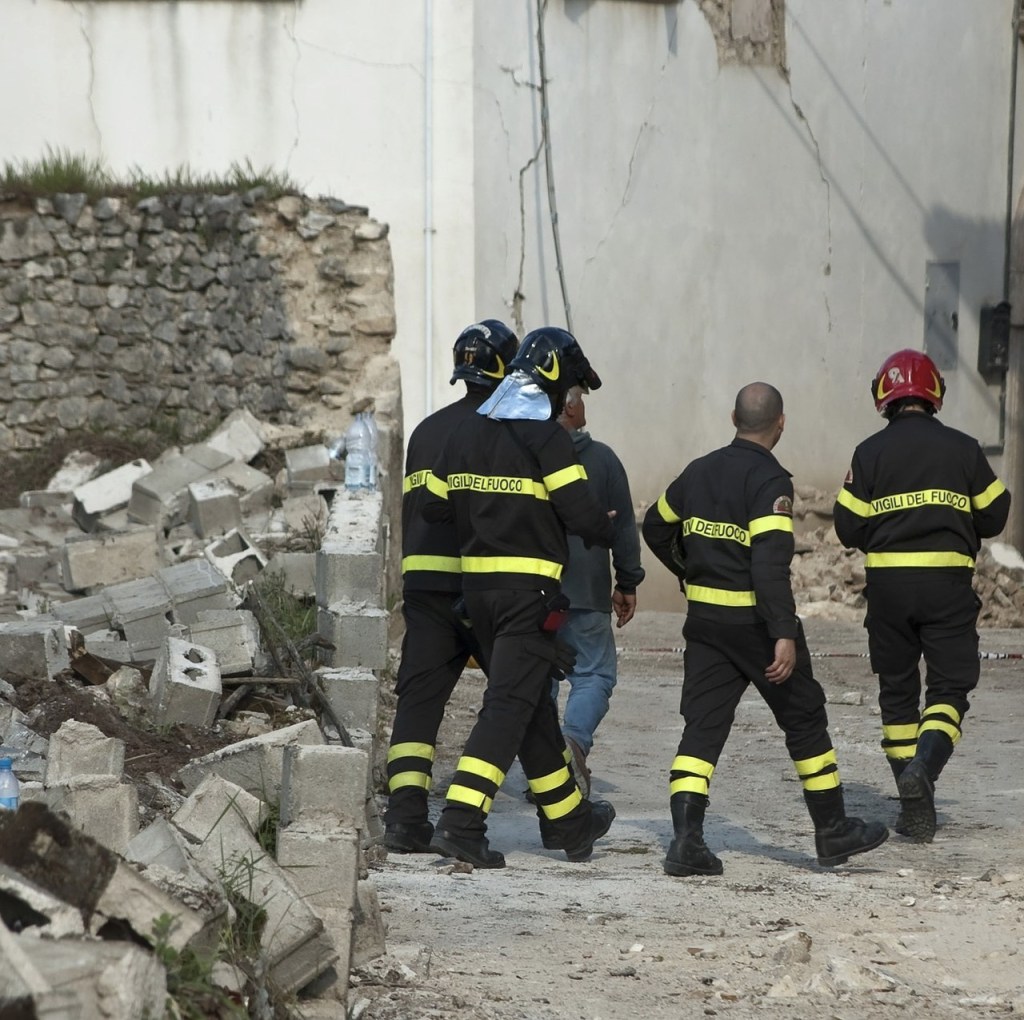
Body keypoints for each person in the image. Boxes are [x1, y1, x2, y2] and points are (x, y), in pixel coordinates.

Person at [642, 382, 889, 876]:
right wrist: (781, 632)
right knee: (804, 718)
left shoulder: (699, 471)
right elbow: (768, 566)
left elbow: (654, 526)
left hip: (707, 625)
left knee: (702, 729)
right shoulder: (771, 482)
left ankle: (686, 843)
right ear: (781, 423)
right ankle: (832, 830)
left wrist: (686, 570)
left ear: (734, 417)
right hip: (755, 626)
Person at [421, 326, 617, 869]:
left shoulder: (466, 433)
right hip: (529, 597)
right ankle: (461, 825)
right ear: (554, 381)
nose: (568, 401)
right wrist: (603, 527)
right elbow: (579, 514)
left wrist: (484, 511)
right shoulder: (549, 439)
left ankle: (569, 822)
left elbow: (435, 507)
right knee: (508, 708)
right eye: (569, 389)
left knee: (530, 708)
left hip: (478, 594)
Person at [833, 349, 1010, 842]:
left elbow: (847, 525)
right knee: (950, 689)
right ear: (935, 393)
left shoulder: (869, 453)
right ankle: (924, 773)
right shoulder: (963, 448)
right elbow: (996, 514)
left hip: (888, 591)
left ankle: (914, 801)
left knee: (897, 694)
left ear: (883, 398)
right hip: (946, 590)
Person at [383, 320, 519, 854]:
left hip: (423, 585)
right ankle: (564, 815)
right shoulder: (497, 432)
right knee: (514, 696)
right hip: (477, 585)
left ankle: (403, 819)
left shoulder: (426, 430)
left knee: (419, 702)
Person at [551, 385, 645, 798]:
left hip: (533, 596)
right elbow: (623, 527)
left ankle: (545, 760)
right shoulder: (603, 460)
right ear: (570, 407)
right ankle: (572, 743)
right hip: (585, 596)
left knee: (538, 677)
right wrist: (627, 582)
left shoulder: (519, 457)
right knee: (593, 674)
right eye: (581, 398)